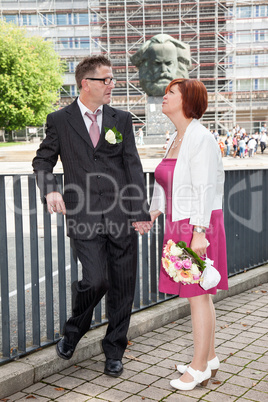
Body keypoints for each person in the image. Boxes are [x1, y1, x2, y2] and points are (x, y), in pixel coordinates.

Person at [32, 55, 152, 377]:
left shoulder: (121, 119)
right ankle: (74, 330)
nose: (112, 85)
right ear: (87, 84)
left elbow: (132, 167)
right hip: (83, 217)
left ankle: (114, 350)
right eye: (107, 80)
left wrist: (139, 211)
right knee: (96, 279)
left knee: (123, 288)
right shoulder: (60, 120)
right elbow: (42, 161)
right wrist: (50, 189)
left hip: (122, 216)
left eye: (113, 79)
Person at [149, 79, 228, 391]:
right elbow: (165, 181)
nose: (164, 97)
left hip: (197, 224)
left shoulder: (200, 138)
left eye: (171, 93)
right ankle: (208, 358)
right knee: (201, 294)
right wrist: (153, 211)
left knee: (197, 295)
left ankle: (197, 369)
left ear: (187, 101)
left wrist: (199, 232)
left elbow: (205, 188)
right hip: (181, 222)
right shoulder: (177, 139)